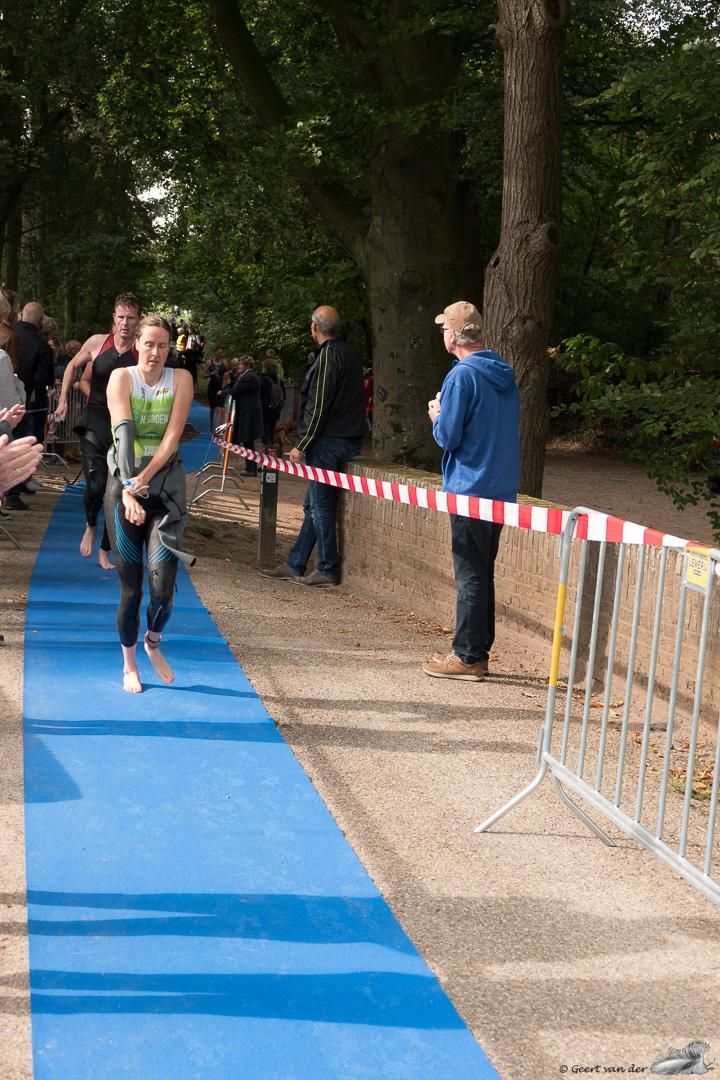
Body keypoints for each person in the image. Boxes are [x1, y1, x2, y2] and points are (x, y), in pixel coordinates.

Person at [421, 301, 520, 681]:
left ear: (453, 336)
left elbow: (449, 436)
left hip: (469, 486)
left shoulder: (462, 376)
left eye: (444, 329)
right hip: (499, 486)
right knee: (482, 571)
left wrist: (436, 416)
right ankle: (477, 651)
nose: (442, 335)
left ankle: (466, 655)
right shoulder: (503, 373)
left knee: (470, 574)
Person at [104, 313, 194, 694]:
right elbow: (122, 433)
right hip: (123, 488)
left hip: (164, 491)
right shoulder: (121, 377)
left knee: (162, 589)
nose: (155, 352)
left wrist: (142, 481)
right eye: (149, 344)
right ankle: (128, 664)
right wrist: (127, 488)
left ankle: (153, 641)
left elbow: (172, 439)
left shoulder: (182, 379)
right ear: (136, 344)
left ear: (169, 348)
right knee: (132, 589)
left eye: (162, 345)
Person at [262, 305, 365, 586]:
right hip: (348, 438)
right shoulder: (349, 354)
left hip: (327, 442)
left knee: (320, 506)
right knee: (312, 504)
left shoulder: (329, 356)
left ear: (314, 328)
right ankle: (296, 562)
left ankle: (327, 566)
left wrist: (302, 442)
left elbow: (318, 405)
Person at [55, 293, 140, 569]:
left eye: (130, 318)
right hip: (94, 420)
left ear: (138, 320)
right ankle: (90, 524)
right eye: (121, 317)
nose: (125, 323)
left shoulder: (141, 349)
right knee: (96, 485)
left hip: (125, 425)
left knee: (117, 489)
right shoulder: (97, 342)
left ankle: (107, 546)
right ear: (114, 319)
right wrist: (63, 399)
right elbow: (71, 366)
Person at [227, 356, 263, 476]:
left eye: (240, 364)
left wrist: (223, 392)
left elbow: (236, 391)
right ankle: (251, 468)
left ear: (246, 365)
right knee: (248, 441)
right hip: (247, 411)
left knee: (247, 439)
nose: (238, 366)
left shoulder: (249, 377)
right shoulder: (248, 376)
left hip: (249, 413)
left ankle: (251, 468)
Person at [259, 351, 286, 447]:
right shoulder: (279, 380)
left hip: (265, 411)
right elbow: (284, 396)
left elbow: (260, 396)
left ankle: (267, 452)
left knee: (265, 432)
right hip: (276, 410)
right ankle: (272, 450)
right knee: (272, 430)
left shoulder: (262, 380)